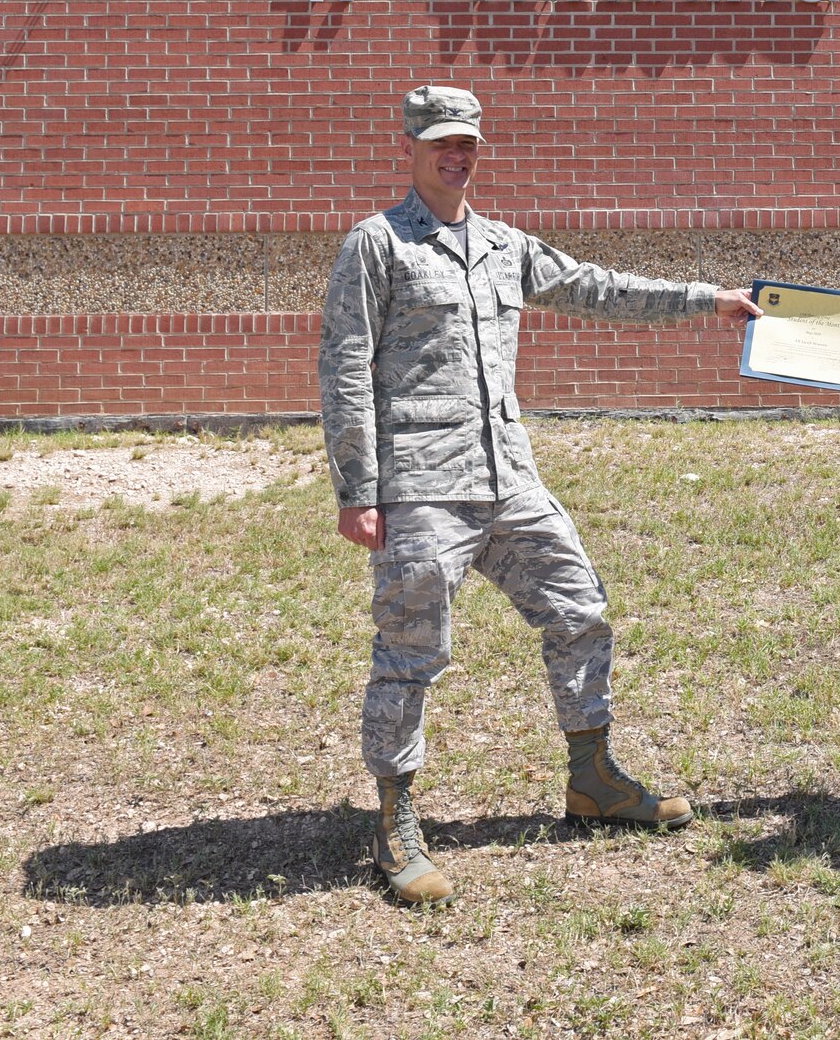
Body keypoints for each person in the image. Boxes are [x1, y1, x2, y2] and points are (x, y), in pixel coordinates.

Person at [319, 84, 760, 907]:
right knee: (411, 652)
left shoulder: (503, 246)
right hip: (420, 487)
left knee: (580, 608)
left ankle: (592, 778)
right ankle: (395, 817)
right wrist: (358, 486)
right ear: (413, 147)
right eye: (443, 142)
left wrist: (709, 299)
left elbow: (600, 288)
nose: (457, 155)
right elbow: (345, 367)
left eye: (469, 144)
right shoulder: (375, 245)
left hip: (507, 478)